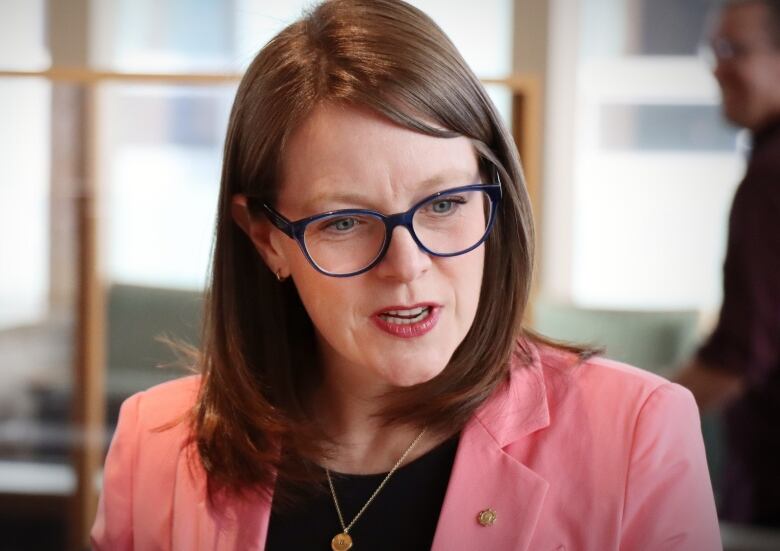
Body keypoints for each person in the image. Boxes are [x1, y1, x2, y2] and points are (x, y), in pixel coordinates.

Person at [91, 1, 721, 549]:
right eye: (343, 222)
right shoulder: (158, 441)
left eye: (444, 205)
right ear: (266, 239)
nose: (408, 266)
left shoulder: (636, 431)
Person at [676, 0, 780, 528]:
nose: (716, 66)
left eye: (732, 49)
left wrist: (621, 419)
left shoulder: (770, 179)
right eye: (713, 49)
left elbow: (737, 356)